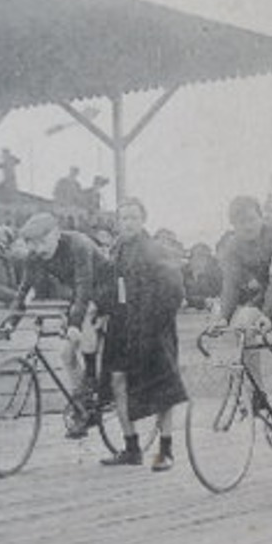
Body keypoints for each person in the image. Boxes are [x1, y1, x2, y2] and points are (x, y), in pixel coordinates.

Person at [2, 211, 115, 439]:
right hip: (81, 295)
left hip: (107, 290)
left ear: (56, 233)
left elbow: (84, 287)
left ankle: (92, 378)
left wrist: (74, 324)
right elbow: (23, 292)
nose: (38, 249)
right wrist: (10, 322)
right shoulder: (34, 257)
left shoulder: (78, 244)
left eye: (42, 241)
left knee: (85, 318)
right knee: (66, 355)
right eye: (32, 243)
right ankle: (84, 406)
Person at [100, 198, 188, 471]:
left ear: (142, 220)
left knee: (162, 386)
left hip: (153, 328)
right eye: (123, 218)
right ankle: (131, 447)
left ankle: (165, 450)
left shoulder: (154, 250)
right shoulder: (117, 250)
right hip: (122, 326)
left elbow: (175, 290)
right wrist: (102, 308)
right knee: (117, 380)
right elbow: (111, 286)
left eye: (133, 218)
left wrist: (157, 321)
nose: (128, 223)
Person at [209, 195, 272, 411]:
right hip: (269, 292)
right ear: (233, 225)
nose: (248, 226)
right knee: (242, 324)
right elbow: (230, 285)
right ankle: (258, 393)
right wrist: (223, 317)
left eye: (251, 219)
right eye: (241, 222)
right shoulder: (233, 246)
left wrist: (267, 315)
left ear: (261, 217)